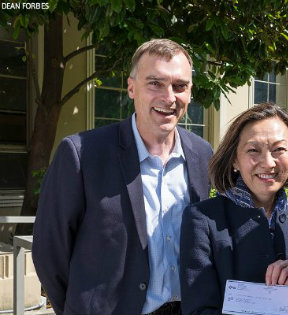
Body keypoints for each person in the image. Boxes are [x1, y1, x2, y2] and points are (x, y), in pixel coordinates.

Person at [32, 39, 213, 315]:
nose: (169, 97)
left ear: (190, 92)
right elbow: (49, 253)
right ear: (131, 88)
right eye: (155, 83)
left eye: (180, 86)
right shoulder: (82, 154)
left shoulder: (202, 154)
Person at [180, 102, 288, 314]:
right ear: (234, 160)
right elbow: (197, 309)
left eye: (279, 149)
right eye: (253, 150)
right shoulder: (202, 219)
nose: (268, 163)